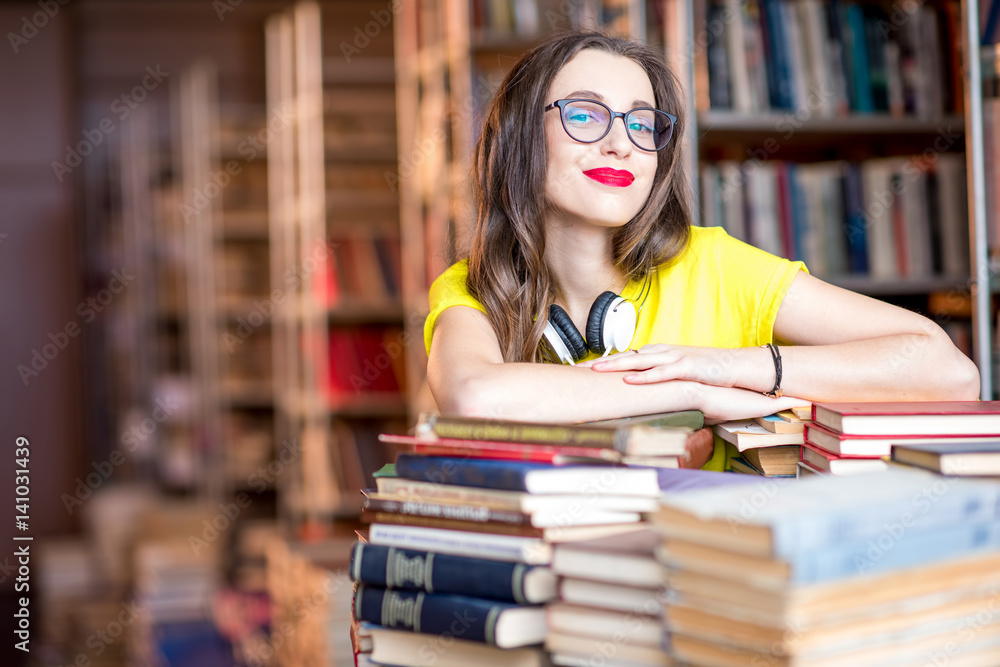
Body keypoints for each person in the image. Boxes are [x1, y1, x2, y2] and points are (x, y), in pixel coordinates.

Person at [422, 31, 980, 470]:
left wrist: (727, 366)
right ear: (520, 136)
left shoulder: (713, 264)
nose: (620, 143)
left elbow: (951, 375)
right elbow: (475, 396)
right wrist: (692, 391)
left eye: (642, 123)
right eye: (585, 115)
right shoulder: (471, 286)